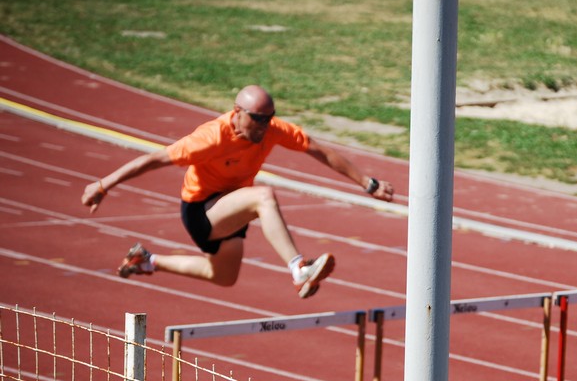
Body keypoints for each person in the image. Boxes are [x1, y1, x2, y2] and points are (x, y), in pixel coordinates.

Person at [81, 85, 394, 298]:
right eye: (257, 120)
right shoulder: (210, 138)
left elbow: (319, 151)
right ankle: (298, 267)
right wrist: (103, 184)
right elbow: (154, 159)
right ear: (237, 112)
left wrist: (367, 182)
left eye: (268, 119)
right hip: (202, 211)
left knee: (224, 277)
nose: (262, 127)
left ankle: (147, 261)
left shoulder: (272, 131)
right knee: (264, 196)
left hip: (232, 209)